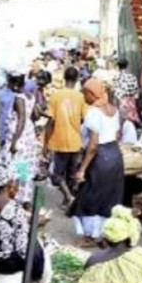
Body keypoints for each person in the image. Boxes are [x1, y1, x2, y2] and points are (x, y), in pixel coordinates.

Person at [72, 79, 124, 247]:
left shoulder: (93, 113)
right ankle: (104, 233)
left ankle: (90, 235)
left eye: (85, 92)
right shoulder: (113, 110)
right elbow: (116, 136)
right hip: (114, 155)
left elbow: (93, 145)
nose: (83, 95)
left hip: (100, 157)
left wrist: (82, 168)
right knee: (108, 196)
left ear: (92, 94)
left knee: (90, 195)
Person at [44, 67, 87, 207]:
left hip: (59, 140)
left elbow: (51, 121)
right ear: (76, 80)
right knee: (71, 173)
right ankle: (69, 199)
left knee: (56, 174)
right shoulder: (80, 97)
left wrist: (46, 143)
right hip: (75, 140)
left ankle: (68, 197)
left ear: (64, 78)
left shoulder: (56, 96)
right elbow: (83, 119)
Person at [0, 72, 38, 207]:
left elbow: (21, 119)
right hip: (29, 136)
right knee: (24, 168)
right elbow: (36, 114)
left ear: (15, 85)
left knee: (14, 168)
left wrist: (15, 141)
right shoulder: (30, 96)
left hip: (20, 136)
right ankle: (25, 199)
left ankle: (13, 197)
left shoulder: (19, 98)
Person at [113, 59, 140, 123]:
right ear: (127, 66)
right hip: (131, 99)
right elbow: (136, 90)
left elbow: (116, 91)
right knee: (132, 118)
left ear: (118, 67)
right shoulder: (132, 76)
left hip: (122, 99)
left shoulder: (117, 77)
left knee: (123, 118)